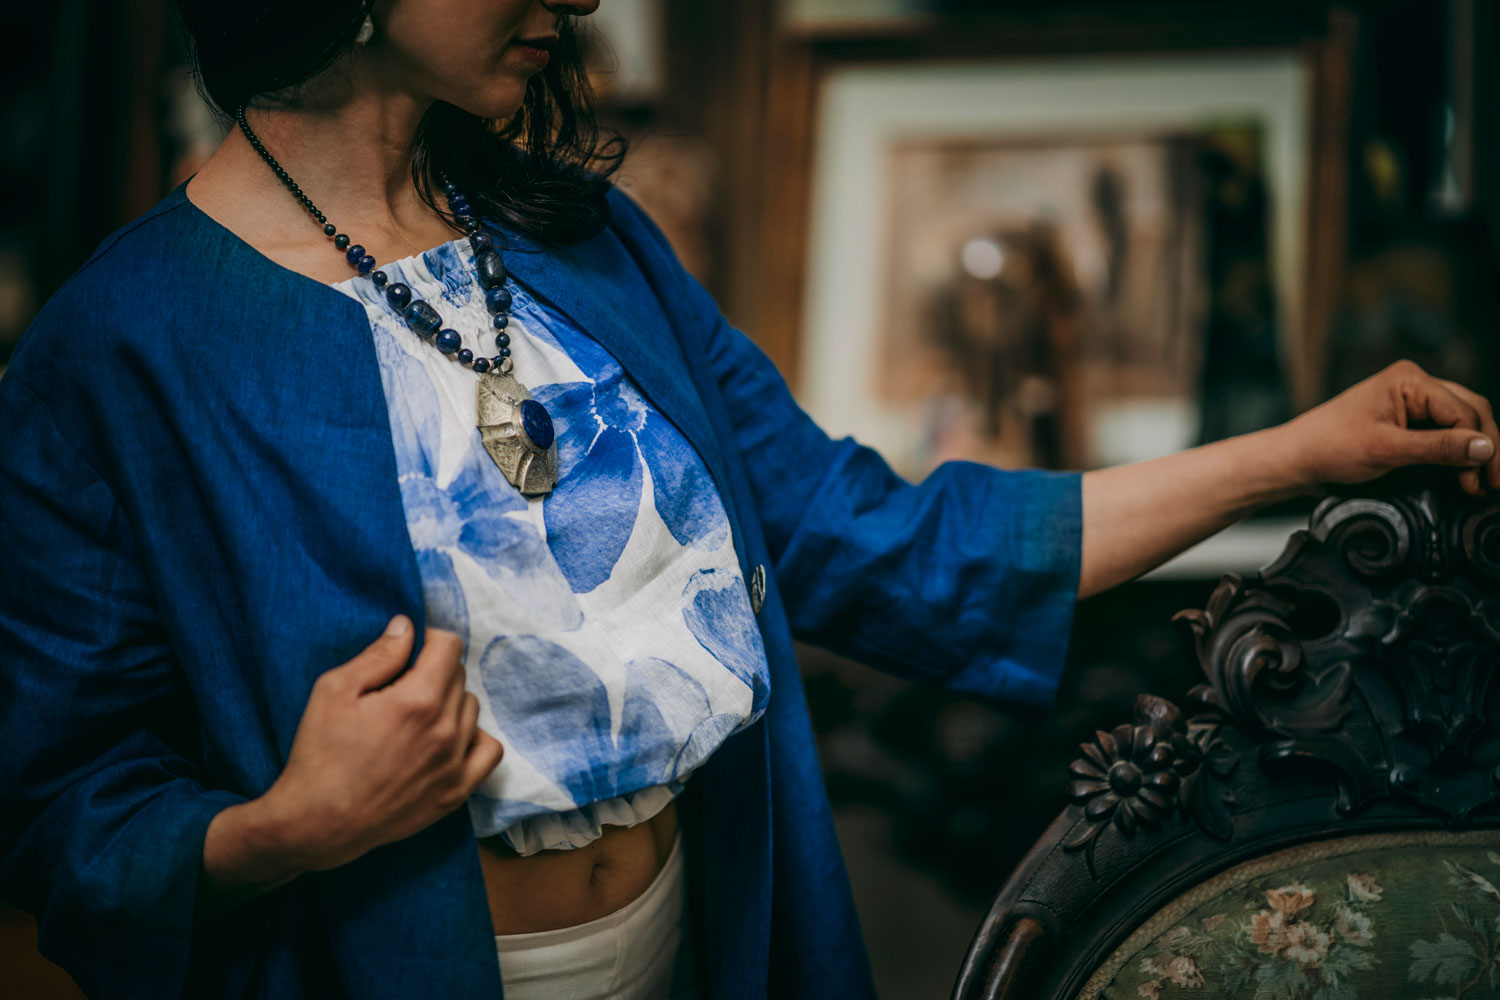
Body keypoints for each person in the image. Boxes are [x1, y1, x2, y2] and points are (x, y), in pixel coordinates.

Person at [1, 2, 1497, 999]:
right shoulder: (116, 352)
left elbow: (888, 546)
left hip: (711, 946)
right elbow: (63, 820)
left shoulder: (591, 247)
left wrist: (1302, 450)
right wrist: (286, 827)